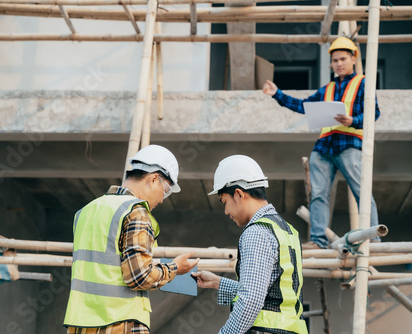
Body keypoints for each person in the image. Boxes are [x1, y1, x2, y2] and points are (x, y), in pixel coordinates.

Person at [63, 144, 199, 334]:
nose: (162, 199)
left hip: (79, 324)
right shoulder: (136, 211)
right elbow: (139, 276)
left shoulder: (85, 211)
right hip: (120, 323)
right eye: (166, 190)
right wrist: (175, 269)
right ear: (153, 179)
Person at [262, 36, 381, 250]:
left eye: (343, 59)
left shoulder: (363, 83)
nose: (339, 63)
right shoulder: (327, 89)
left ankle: (373, 236)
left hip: (349, 144)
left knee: (361, 191)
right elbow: (304, 106)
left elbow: (374, 113)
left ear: (353, 59)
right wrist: (277, 94)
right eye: (335, 60)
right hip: (324, 146)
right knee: (318, 194)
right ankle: (318, 240)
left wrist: (353, 120)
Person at [192, 155, 307, 334]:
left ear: (238, 194)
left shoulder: (257, 232)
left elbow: (251, 300)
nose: (226, 211)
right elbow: (272, 292)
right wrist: (217, 282)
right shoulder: (288, 231)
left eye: (225, 202)